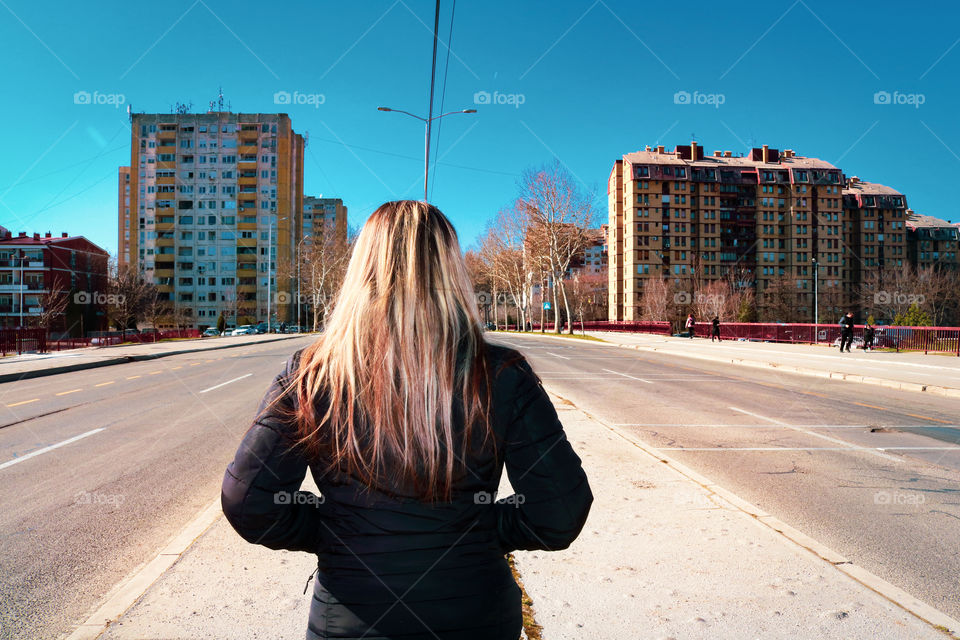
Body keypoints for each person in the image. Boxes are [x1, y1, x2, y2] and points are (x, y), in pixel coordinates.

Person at [221, 200, 592, 640]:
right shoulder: (501, 374)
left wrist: (336, 530)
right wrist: (478, 530)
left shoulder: (312, 374)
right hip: (476, 617)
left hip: (350, 619)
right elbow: (559, 513)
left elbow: (250, 503)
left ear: (361, 271)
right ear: (451, 272)